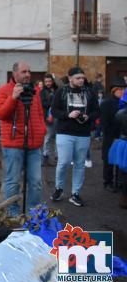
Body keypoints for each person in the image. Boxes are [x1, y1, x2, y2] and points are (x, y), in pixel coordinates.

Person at [0, 62, 45, 216]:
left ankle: (33, 214)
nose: (28, 74)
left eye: (29, 71)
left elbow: (39, 114)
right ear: (15, 73)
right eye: (24, 71)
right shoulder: (4, 90)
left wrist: (42, 131)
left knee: (36, 182)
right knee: (13, 181)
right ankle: (13, 214)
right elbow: (1, 114)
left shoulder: (35, 91)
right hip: (13, 144)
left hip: (34, 144)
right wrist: (13, 97)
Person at [50, 67, 100, 207]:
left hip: (83, 133)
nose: (81, 80)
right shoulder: (61, 91)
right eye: (78, 78)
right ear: (70, 78)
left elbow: (97, 111)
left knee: (79, 164)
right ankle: (59, 189)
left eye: (83, 78)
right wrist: (68, 115)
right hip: (65, 132)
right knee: (64, 162)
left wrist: (88, 116)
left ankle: (75, 193)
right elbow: (54, 110)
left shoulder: (90, 92)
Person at [100, 80, 126, 192]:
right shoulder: (107, 103)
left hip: (122, 136)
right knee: (109, 160)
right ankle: (108, 182)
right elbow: (104, 122)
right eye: (119, 89)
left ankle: (119, 182)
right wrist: (111, 135)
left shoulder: (124, 103)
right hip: (110, 136)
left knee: (120, 160)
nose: (122, 91)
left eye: (123, 89)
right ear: (113, 90)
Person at [40, 74, 58, 166]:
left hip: (58, 117)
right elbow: (43, 104)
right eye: (46, 81)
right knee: (47, 138)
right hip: (48, 117)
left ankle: (56, 157)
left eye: (49, 81)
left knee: (57, 138)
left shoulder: (57, 90)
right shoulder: (42, 92)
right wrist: (52, 102)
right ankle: (45, 156)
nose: (48, 83)